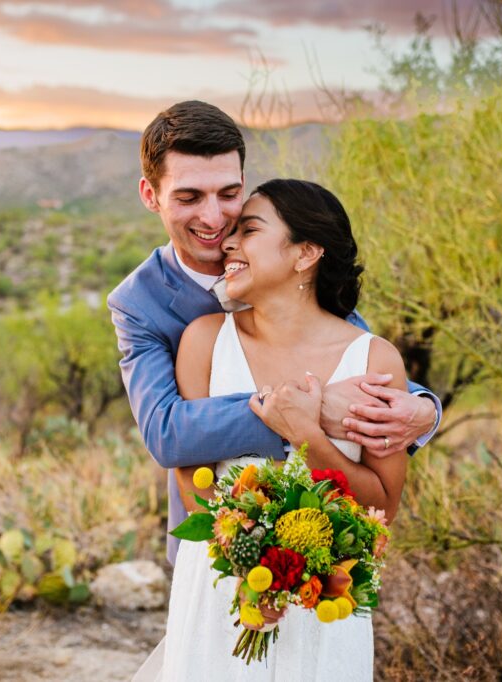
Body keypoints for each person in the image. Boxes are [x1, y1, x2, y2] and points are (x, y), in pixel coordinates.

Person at [107, 100, 441, 567]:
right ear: (150, 195)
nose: (215, 220)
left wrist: (426, 407)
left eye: (228, 193)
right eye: (189, 198)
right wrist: (306, 409)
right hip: (217, 543)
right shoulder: (139, 303)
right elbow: (167, 434)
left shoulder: (284, 268)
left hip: (325, 550)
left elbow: (355, 355)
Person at [155, 178, 404, 679]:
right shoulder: (204, 341)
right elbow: (193, 484)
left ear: (306, 252)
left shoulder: (373, 358)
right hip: (222, 589)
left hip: (323, 602)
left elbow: (382, 507)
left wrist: (307, 436)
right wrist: (254, 574)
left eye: (248, 230)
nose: (228, 242)